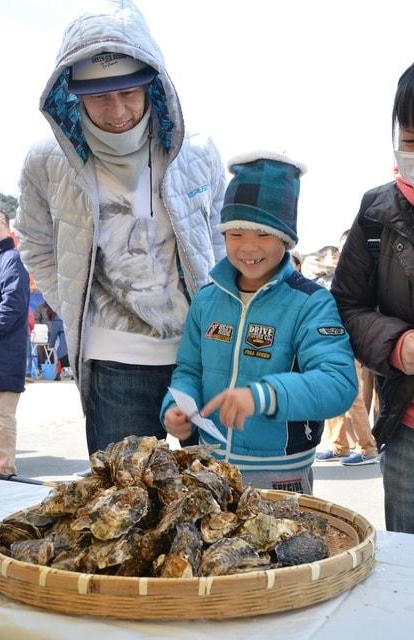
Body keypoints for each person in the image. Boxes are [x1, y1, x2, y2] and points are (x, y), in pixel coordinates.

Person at [15, 0, 226, 455]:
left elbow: (219, 238)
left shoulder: (198, 151)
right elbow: (34, 243)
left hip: (199, 354)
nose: (117, 111)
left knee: (211, 503)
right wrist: (74, 300)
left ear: (155, 84)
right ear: (71, 95)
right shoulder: (46, 161)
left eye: (129, 92)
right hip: (113, 361)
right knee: (123, 508)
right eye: (99, 96)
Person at [161, 152, 357, 494]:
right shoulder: (207, 299)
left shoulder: (311, 302)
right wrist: (177, 406)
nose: (248, 247)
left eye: (263, 234)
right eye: (236, 233)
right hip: (210, 471)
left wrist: (263, 396)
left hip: (281, 479)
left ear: (285, 238)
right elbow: (188, 370)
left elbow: (338, 384)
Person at [331, 62, 414, 533]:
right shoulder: (377, 211)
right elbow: (346, 303)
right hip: (407, 433)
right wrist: (397, 345)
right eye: (413, 139)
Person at [316, 230, 378, 466]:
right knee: (333, 394)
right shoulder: (330, 276)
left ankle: (367, 448)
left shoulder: (363, 274)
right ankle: (339, 445)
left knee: (353, 398)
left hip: (352, 344)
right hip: (329, 344)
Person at [0, 209, 29, 474]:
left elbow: (12, 305)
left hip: (3, 356)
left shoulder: (12, 259)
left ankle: (4, 474)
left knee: (1, 418)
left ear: (7, 228)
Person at [48, 312, 71, 381]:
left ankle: (58, 374)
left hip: (64, 341)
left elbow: (53, 334)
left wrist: (51, 345)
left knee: (61, 356)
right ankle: (75, 374)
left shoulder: (57, 319)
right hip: (74, 340)